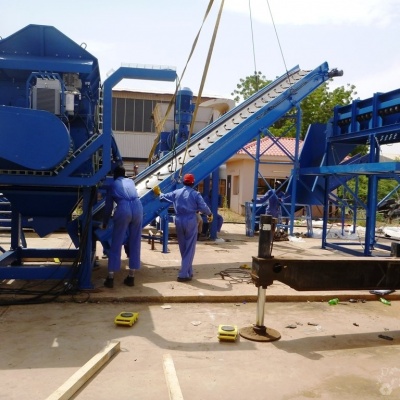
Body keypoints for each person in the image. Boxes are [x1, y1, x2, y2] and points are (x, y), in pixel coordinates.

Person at [153, 173, 213, 282]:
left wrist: (159, 193)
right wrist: (209, 214)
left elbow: (163, 197)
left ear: (184, 182)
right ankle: (183, 274)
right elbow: (203, 207)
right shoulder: (196, 194)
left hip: (179, 220)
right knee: (190, 248)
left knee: (183, 248)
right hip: (190, 220)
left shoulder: (177, 192)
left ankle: (189, 271)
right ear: (193, 182)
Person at [102, 165, 143, 288]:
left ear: (115, 175)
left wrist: (104, 222)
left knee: (117, 241)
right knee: (135, 242)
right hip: (137, 207)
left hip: (123, 207)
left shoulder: (113, 184)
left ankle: (110, 278)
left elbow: (109, 206)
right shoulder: (130, 181)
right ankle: (131, 277)